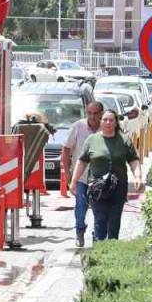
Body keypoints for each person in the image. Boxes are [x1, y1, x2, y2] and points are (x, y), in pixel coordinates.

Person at [71, 111, 144, 242]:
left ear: (116, 122)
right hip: (98, 188)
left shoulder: (124, 140)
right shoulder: (92, 140)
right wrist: (74, 181)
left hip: (118, 188)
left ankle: (111, 249)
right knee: (100, 220)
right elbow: (82, 161)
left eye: (111, 120)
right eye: (105, 120)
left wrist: (138, 176)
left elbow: (133, 160)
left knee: (114, 222)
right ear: (101, 122)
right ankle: (98, 249)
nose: (108, 123)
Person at [61, 101, 104, 248]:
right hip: (81, 177)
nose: (92, 116)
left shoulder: (107, 127)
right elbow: (66, 150)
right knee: (80, 206)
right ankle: (79, 231)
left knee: (99, 209)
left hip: (100, 179)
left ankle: (97, 236)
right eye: (89, 113)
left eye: (95, 113)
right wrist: (67, 173)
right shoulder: (78, 126)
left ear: (101, 114)